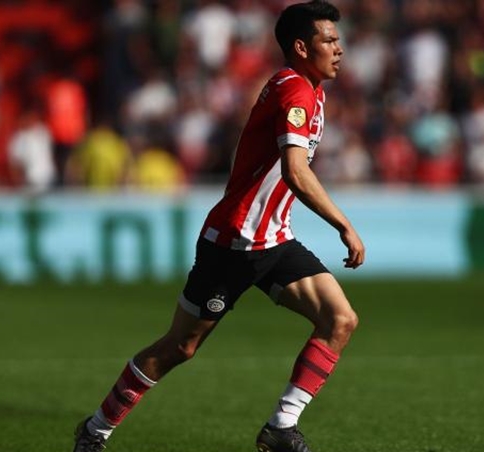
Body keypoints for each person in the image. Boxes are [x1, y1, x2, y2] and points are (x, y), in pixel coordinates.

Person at [72, 2, 365, 452]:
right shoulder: (296, 92)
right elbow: (295, 171)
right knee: (180, 347)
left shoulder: (310, 90)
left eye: (338, 40)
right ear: (302, 48)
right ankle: (95, 431)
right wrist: (343, 224)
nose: (339, 49)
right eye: (329, 40)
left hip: (274, 239)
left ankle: (281, 427)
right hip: (234, 242)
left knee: (340, 319)